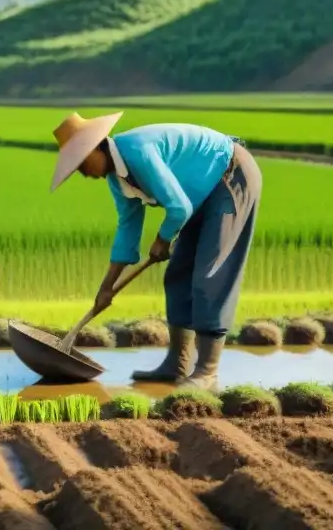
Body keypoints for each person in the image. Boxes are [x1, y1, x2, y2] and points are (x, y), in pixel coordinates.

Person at [49, 112, 262, 391]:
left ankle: (207, 373)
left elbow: (179, 208)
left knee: (210, 275)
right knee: (177, 275)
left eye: (81, 163)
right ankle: (177, 364)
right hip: (198, 193)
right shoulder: (117, 180)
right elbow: (128, 231)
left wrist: (162, 240)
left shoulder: (137, 152)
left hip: (229, 176)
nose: (83, 173)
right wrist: (106, 288)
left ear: (96, 147)